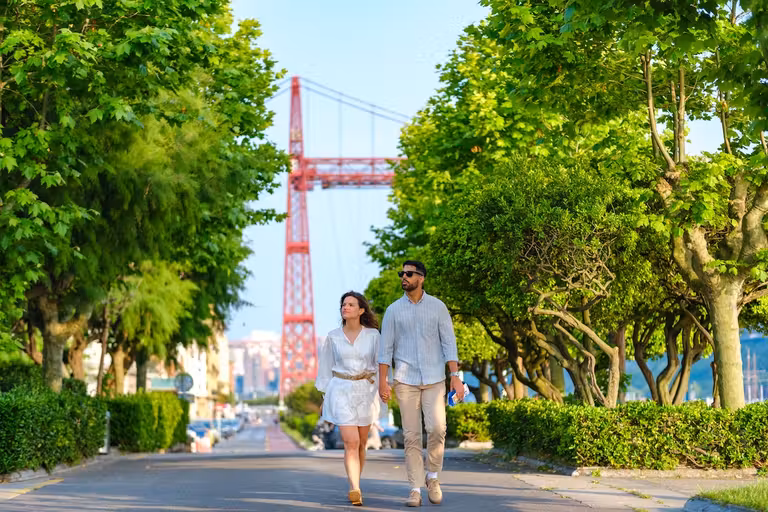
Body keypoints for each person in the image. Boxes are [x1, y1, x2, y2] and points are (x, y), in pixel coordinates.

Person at [378, 260, 463, 507]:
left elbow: (449, 343)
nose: (404, 277)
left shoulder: (438, 307)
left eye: (409, 273)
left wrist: (455, 377)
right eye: (402, 274)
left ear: (421, 278)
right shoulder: (393, 310)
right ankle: (414, 489)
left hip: (435, 378)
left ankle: (433, 476)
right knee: (412, 436)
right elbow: (386, 349)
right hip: (405, 380)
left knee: (438, 429)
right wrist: (383, 382)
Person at [315, 291, 381, 507]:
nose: (346, 307)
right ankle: (355, 488)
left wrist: (383, 388)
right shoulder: (333, 337)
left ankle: (357, 482)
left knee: (362, 443)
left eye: (351, 304)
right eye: (344, 304)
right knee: (350, 442)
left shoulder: (373, 335)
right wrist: (325, 395)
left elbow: (380, 365)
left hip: (366, 390)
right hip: (341, 389)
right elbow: (325, 368)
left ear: (361, 310)